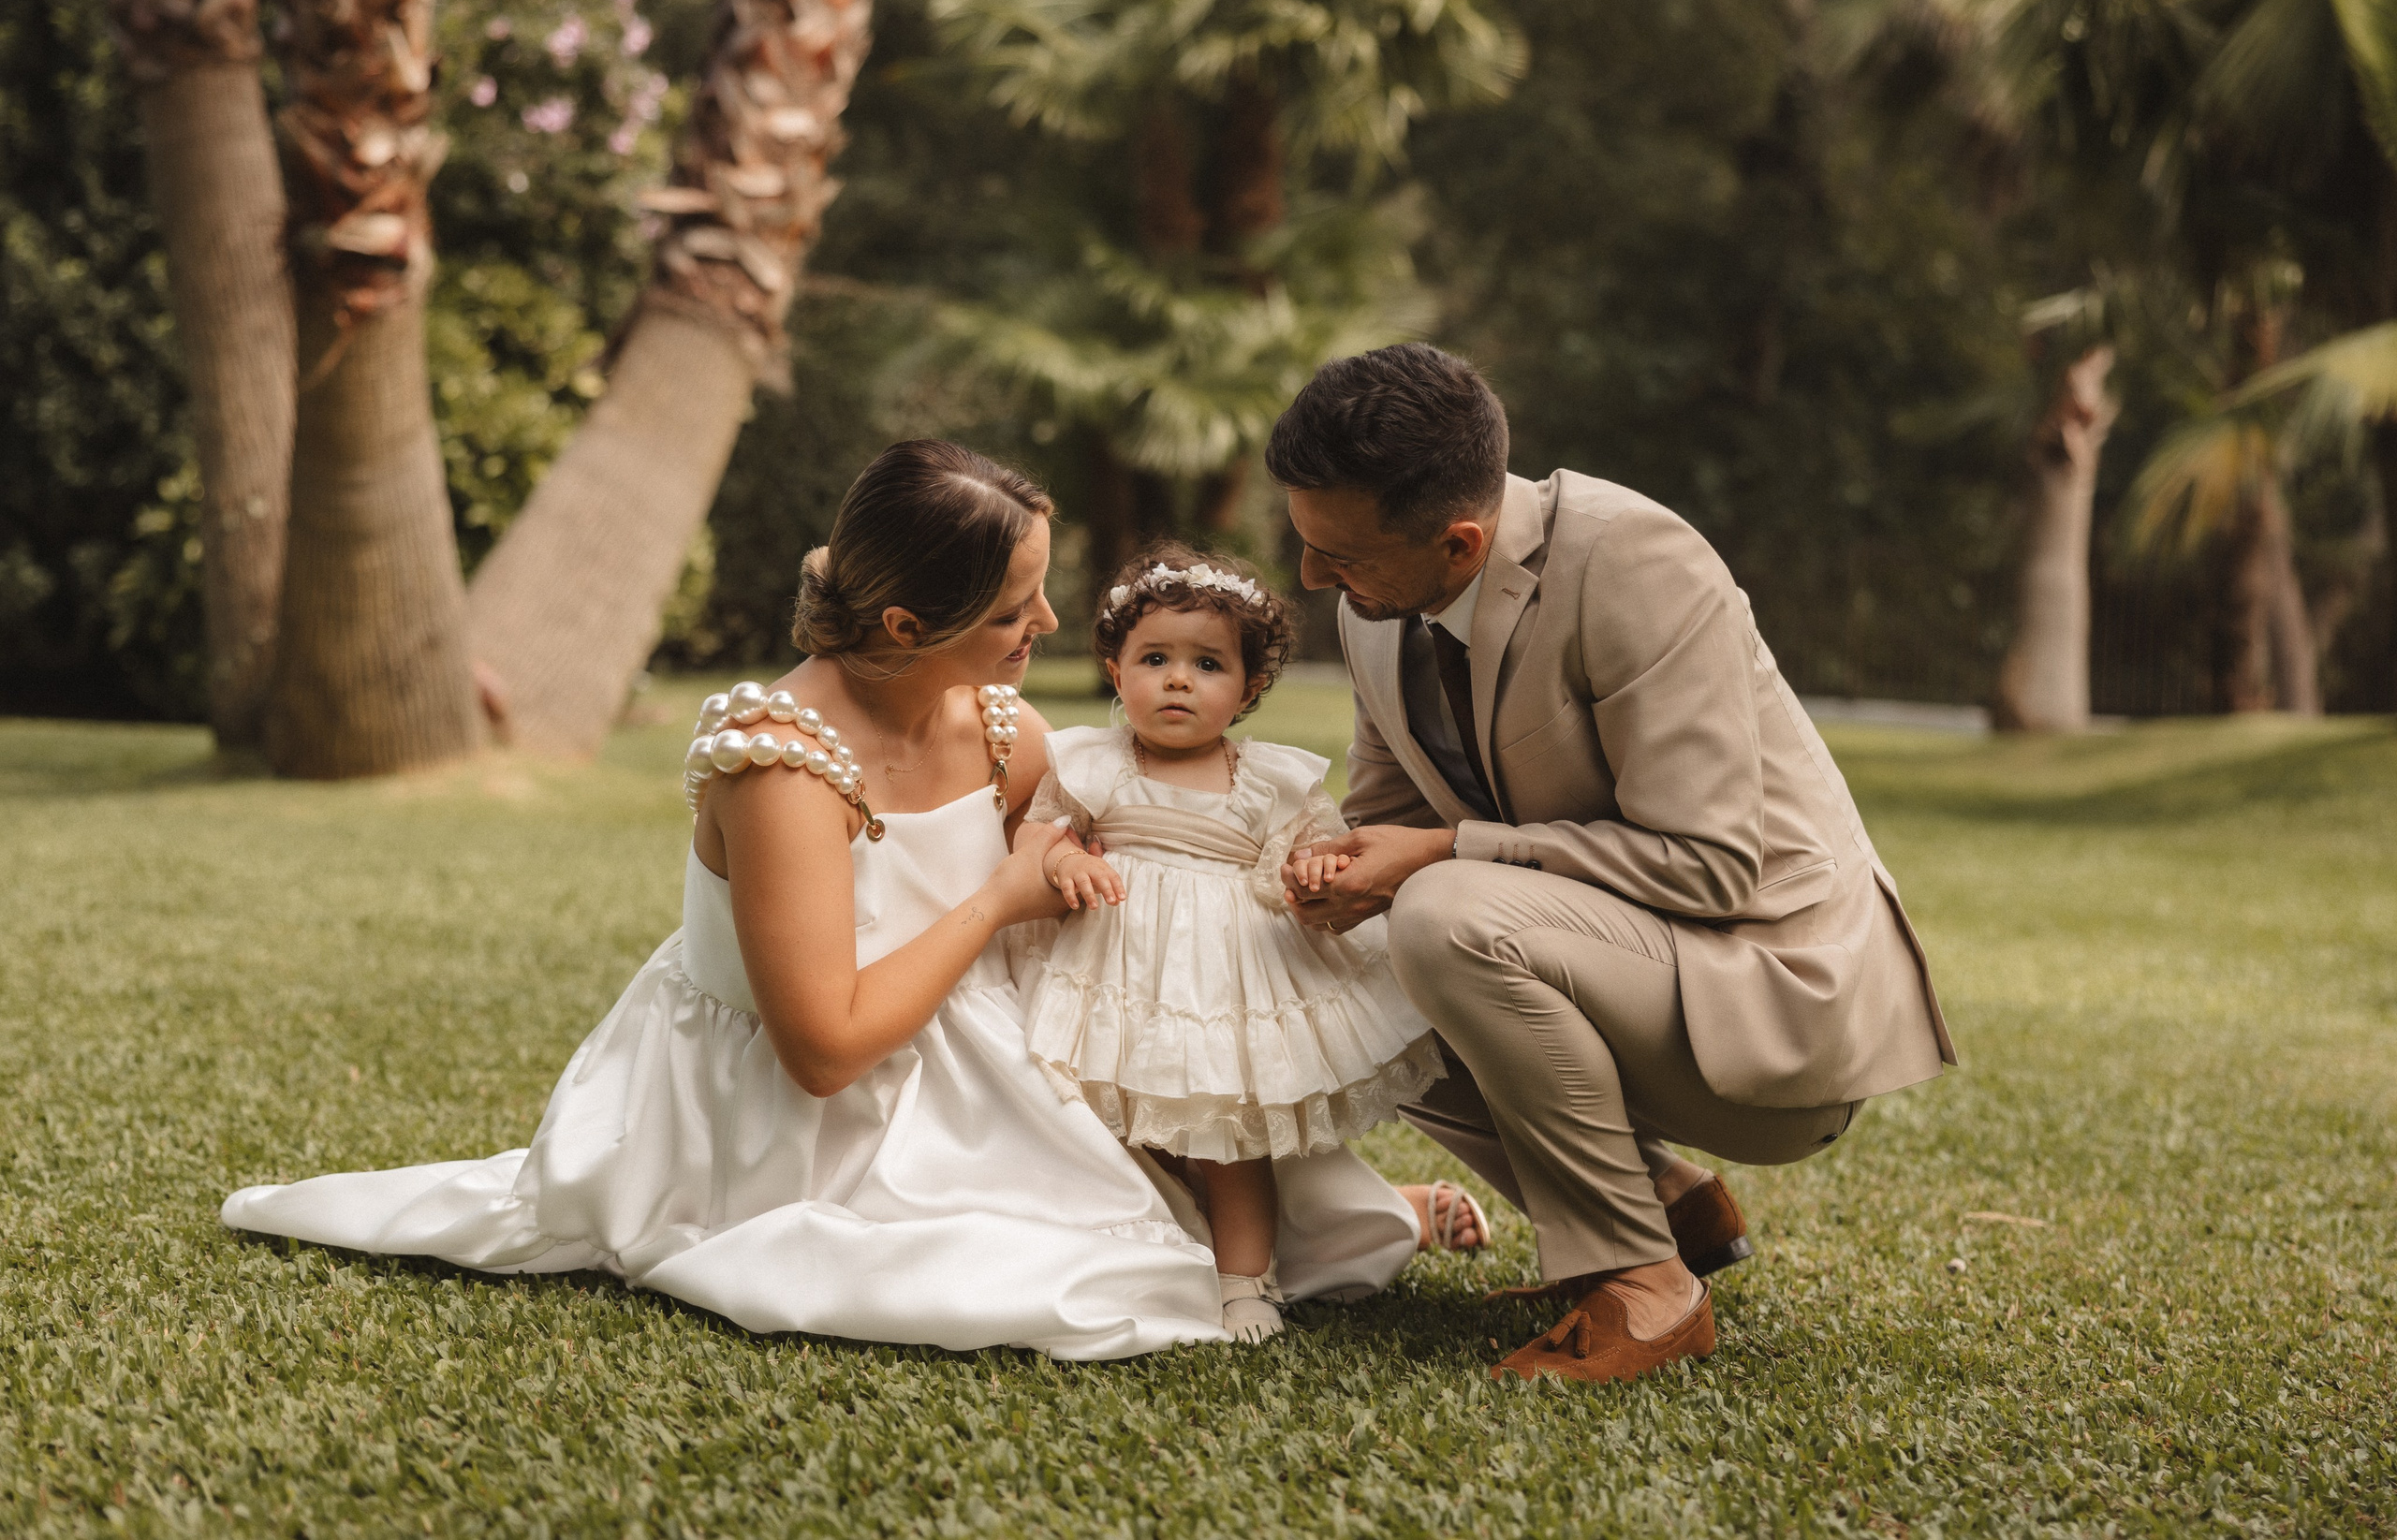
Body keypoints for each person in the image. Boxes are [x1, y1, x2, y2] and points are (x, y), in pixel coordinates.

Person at [223, 440, 1408, 1359]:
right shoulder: (780, 767)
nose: (1047, 628)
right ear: (907, 625)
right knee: (1104, 1279)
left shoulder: (1004, 728)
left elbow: (1119, 893)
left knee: (1221, 1161)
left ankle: (1270, 1215)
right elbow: (823, 1051)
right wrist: (1001, 898)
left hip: (979, 1039)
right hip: (797, 1105)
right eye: (1014, 610)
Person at [1272, 345, 1956, 1384]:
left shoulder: (1636, 562)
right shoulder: (1376, 611)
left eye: (1342, 555)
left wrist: (1448, 851)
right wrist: (1317, 871)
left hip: (1763, 997)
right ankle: (1661, 1203)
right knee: (1327, 956)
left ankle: (1643, 1287)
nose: (1314, 578)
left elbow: (1711, 864)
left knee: (1441, 913)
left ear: (1459, 543)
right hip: (1603, 961)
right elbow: (1387, 820)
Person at [1017, 545, 1461, 1342]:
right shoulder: (1095, 765)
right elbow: (1039, 836)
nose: (1178, 679)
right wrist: (1065, 858)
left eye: (1207, 664)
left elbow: (1307, 855)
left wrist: (1316, 865)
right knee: (1105, 1131)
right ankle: (1140, 1250)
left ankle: (1244, 1283)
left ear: (1248, 688)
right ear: (1117, 673)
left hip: (1221, 984)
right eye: (1155, 658)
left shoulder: (1266, 780)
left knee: (1229, 1143)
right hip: (1111, 972)